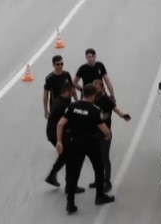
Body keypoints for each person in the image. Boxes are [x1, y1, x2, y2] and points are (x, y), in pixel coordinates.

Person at [55, 84, 114, 214]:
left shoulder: (72, 107)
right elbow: (105, 131)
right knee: (99, 168)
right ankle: (100, 196)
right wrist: (108, 137)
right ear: (93, 95)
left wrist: (59, 142)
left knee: (72, 173)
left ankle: (70, 203)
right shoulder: (95, 110)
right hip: (91, 144)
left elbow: (60, 124)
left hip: (74, 143)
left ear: (82, 94)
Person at [90, 79, 131, 192]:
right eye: (94, 89)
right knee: (96, 159)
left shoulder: (106, 100)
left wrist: (124, 115)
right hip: (94, 133)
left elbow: (116, 109)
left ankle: (107, 181)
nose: (95, 90)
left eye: (97, 88)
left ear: (102, 88)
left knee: (104, 158)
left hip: (105, 134)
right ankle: (98, 179)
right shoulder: (93, 98)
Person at [44, 81, 82, 190]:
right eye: (73, 91)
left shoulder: (63, 100)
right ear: (68, 91)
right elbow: (68, 120)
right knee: (69, 156)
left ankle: (53, 176)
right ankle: (69, 185)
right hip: (55, 132)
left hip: (55, 131)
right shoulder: (62, 105)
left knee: (66, 155)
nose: (74, 93)